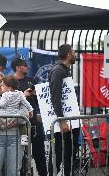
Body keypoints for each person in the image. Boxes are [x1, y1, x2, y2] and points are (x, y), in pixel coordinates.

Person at [11, 56, 48, 176]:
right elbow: (7, 101)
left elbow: (40, 102)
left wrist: (37, 95)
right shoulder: (10, 81)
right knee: (21, 155)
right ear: (18, 67)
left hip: (34, 123)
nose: (28, 66)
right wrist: (24, 95)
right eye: (25, 65)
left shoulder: (32, 80)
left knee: (40, 153)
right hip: (18, 124)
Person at [48, 44, 80, 176]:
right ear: (68, 55)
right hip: (63, 122)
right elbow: (55, 97)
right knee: (59, 154)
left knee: (69, 153)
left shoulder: (64, 70)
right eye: (73, 52)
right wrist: (61, 120)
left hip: (68, 120)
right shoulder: (58, 71)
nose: (76, 54)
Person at [0, 75, 33, 145]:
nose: (1, 87)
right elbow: (26, 103)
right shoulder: (20, 93)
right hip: (15, 116)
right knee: (22, 122)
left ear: (9, 88)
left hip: (5, 116)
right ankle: (24, 137)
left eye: (3, 86)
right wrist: (31, 110)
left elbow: (2, 104)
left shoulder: (5, 95)